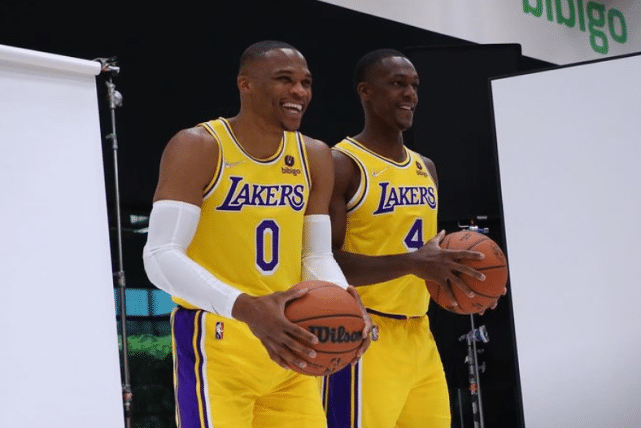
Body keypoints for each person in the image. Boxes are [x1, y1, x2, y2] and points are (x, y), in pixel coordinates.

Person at [142, 40, 370, 428]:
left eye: (306, 82)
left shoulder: (314, 155)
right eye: (284, 79)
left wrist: (343, 299)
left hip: (291, 338)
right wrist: (247, 308)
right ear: (245, 84)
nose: (299, 91)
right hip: (218, 335)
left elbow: (315, 255)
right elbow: (159, 254)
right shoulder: (199, 146)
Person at [322, 49, 496, 428]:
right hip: (364, 334)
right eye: (397, 84)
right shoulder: (342, 163)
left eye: (415, 85)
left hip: (420, 332)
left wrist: (469, 285)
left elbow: (431, 259)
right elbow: (324, 260)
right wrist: (410, 263)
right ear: (365, 91)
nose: (410, 94)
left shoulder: (426, 167)